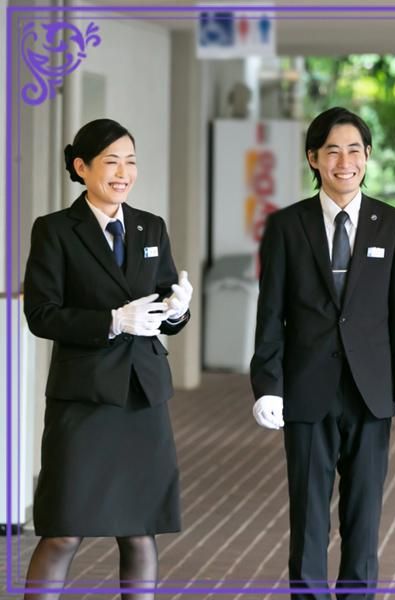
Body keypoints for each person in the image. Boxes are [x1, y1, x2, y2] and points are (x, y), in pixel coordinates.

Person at [249, 107, 395, 599]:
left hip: (371, 393)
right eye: (332, 151)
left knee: (363, 519)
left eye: (354, 150)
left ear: (367, 155)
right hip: (307, 391)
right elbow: (271, 314)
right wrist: (268, 385)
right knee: (308, 517)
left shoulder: (393, 224)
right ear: (313, 158)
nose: (344, 162)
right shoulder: (287, 226)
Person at [22, 119, 193, 600]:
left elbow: (164, 305)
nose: (123, 173)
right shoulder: (56, 230)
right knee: (63, 529)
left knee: (139, 530)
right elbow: (41, 314)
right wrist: (112, 321)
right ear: (82, 167)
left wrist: (178, 311)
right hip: (84, 398)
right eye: (111, 161)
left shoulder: (150, 226)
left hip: (142, 396)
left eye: (130, 162)